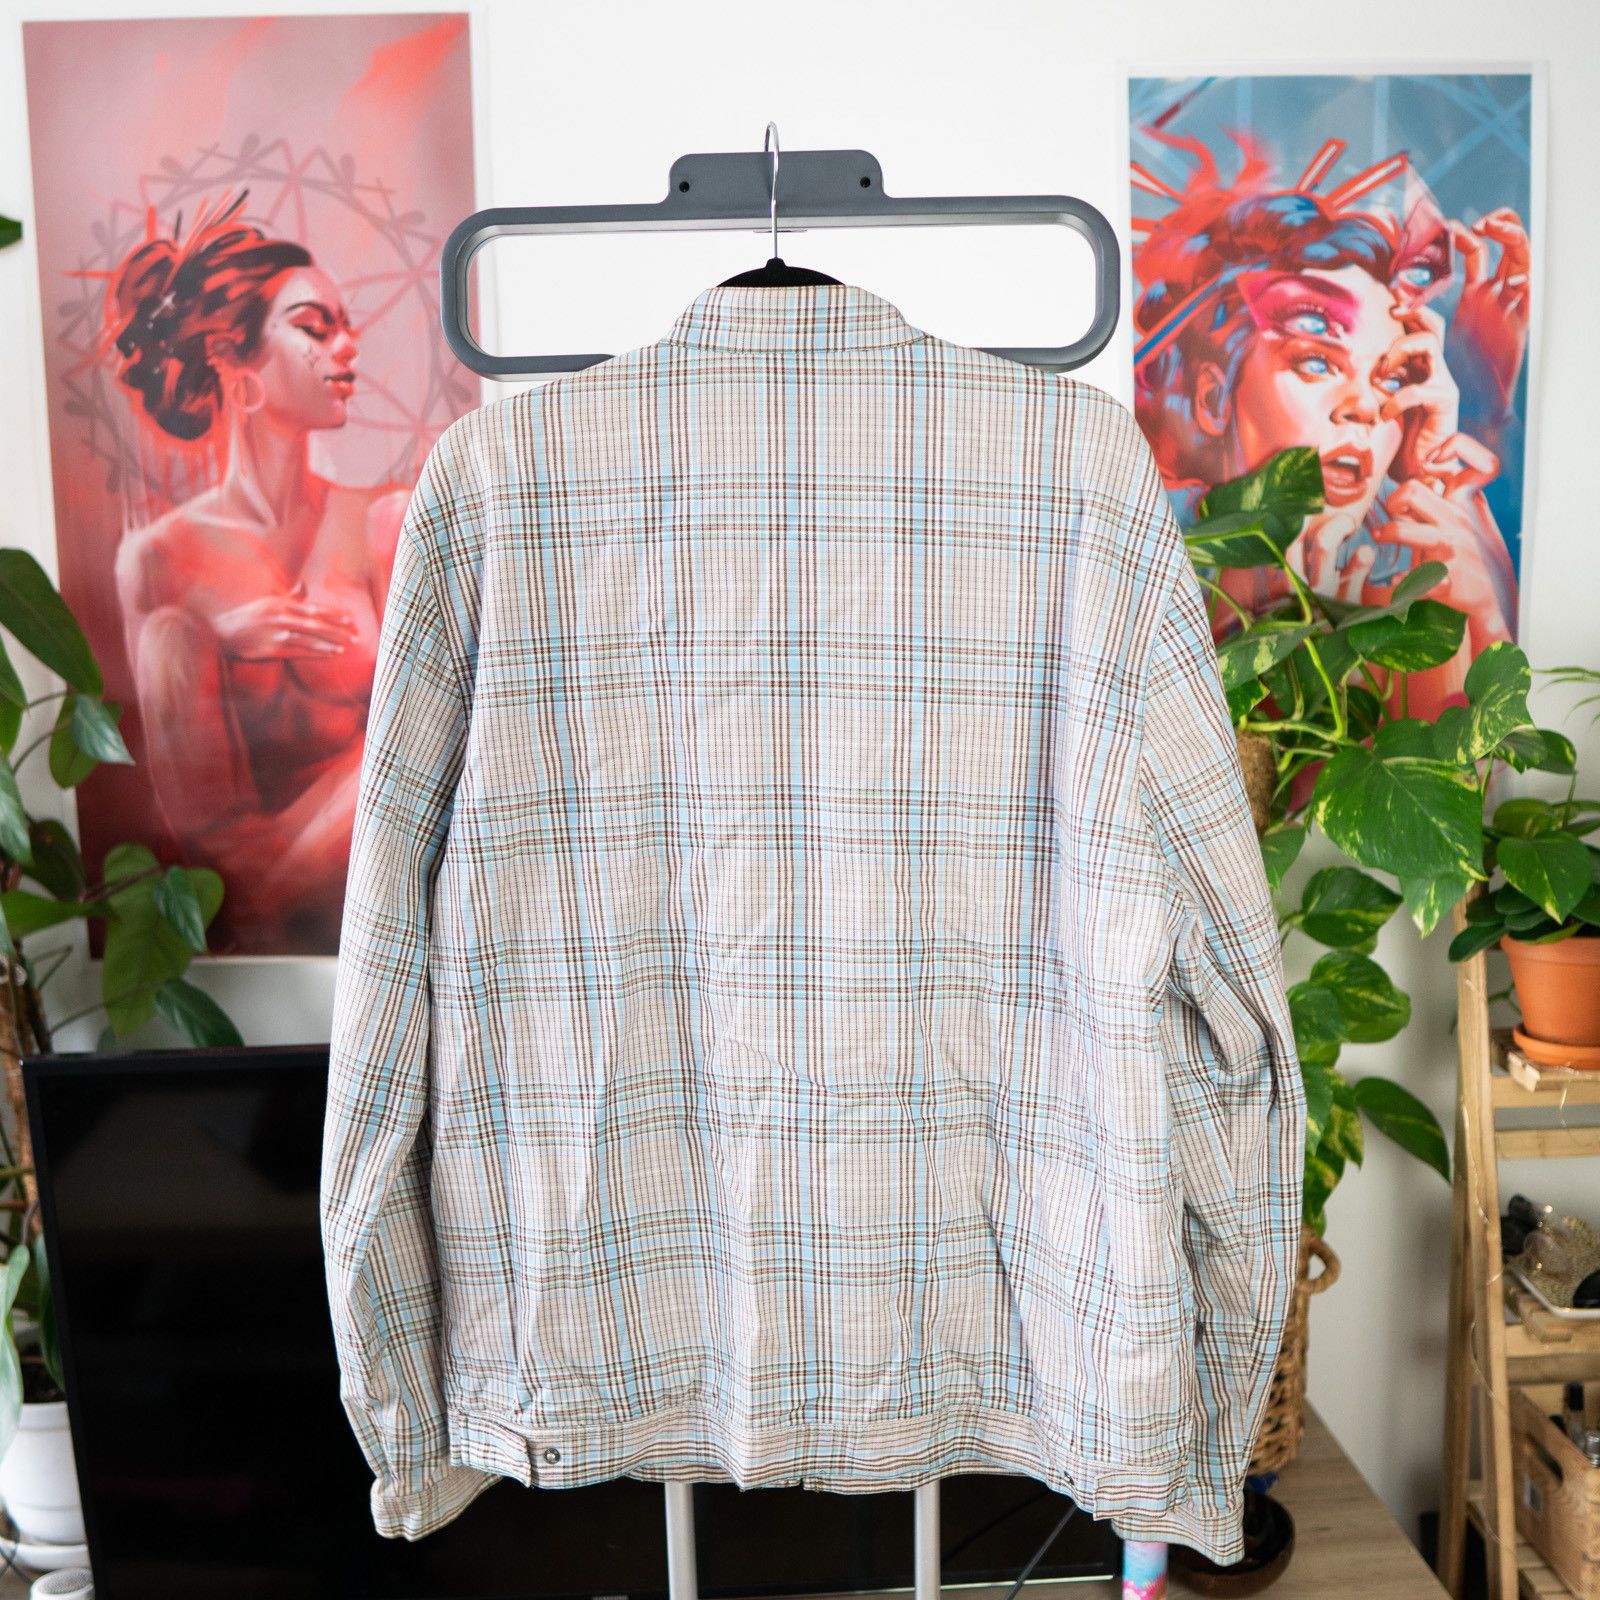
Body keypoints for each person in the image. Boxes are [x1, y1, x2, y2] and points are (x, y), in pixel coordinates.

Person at [102, 190, 410, 951]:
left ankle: (263, 908)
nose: (348, 348)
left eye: (346, 327)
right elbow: (194, 811)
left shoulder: (384, 522)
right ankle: (259, 911)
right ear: (231, 357)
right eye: (314, 328)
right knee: (172, 638)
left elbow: (426, 751)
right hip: (242, 889)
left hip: (369, 891)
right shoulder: (156, 560)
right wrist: (219, 639)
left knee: (398, 738)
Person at [1130, 130, 1522, 721]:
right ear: (1212, 397)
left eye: (1392, 376)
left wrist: (1481, 620)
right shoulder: (1147, 634)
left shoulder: (1405, 631)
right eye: (1317, 362)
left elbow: (1483, 772)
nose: (1365, 406)